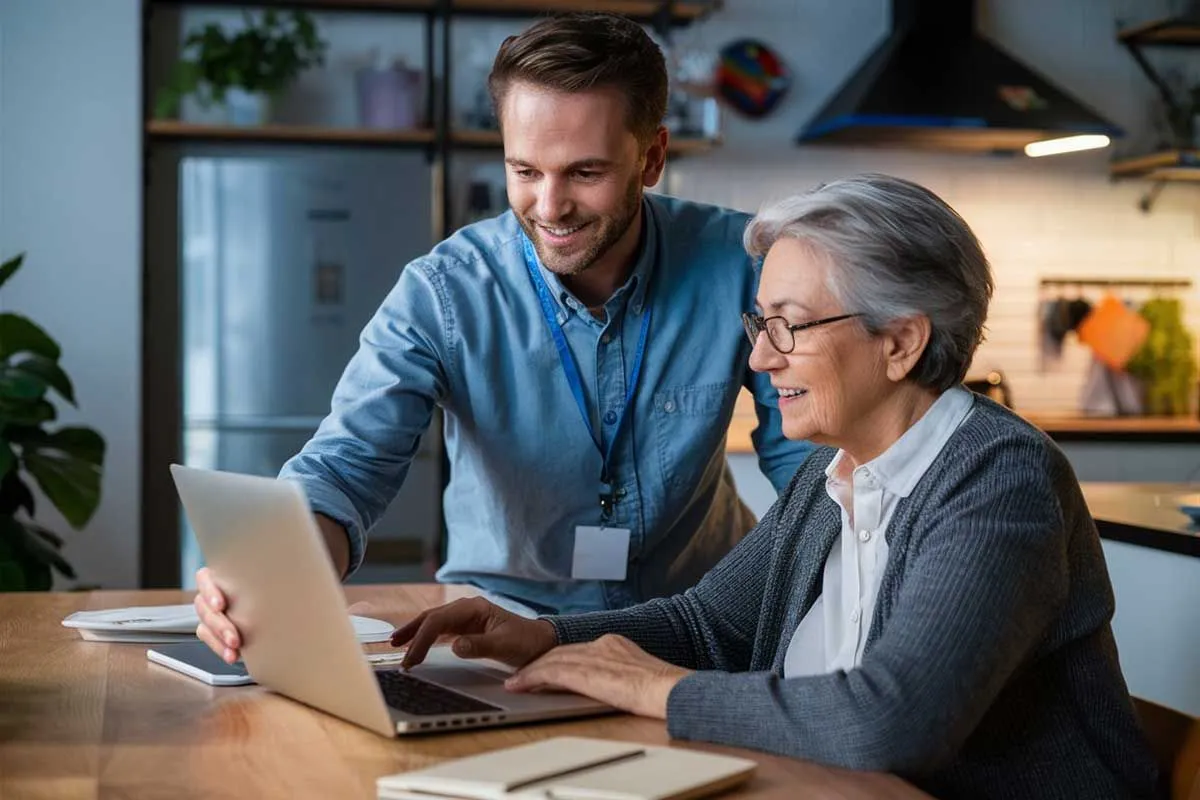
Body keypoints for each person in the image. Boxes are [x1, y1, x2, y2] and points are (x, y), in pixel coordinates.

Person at [388, 174, 1162, 799]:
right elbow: (707, 627)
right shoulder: (836, 473)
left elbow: (892, 725)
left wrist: (658, 689)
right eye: (759, 326)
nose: (760, 361)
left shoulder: (997, 477)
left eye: (788, 326)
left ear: (900, 342)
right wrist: (544, 635)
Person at [193, 12, 814, 661]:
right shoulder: (442, 293)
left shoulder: (744, 265)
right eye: (525, 170)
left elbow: (815, 468)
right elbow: (345, 471)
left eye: (584, 173)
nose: (549, 208)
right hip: (495, 637)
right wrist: (273, 576)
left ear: (651, 156)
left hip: (693, 630)